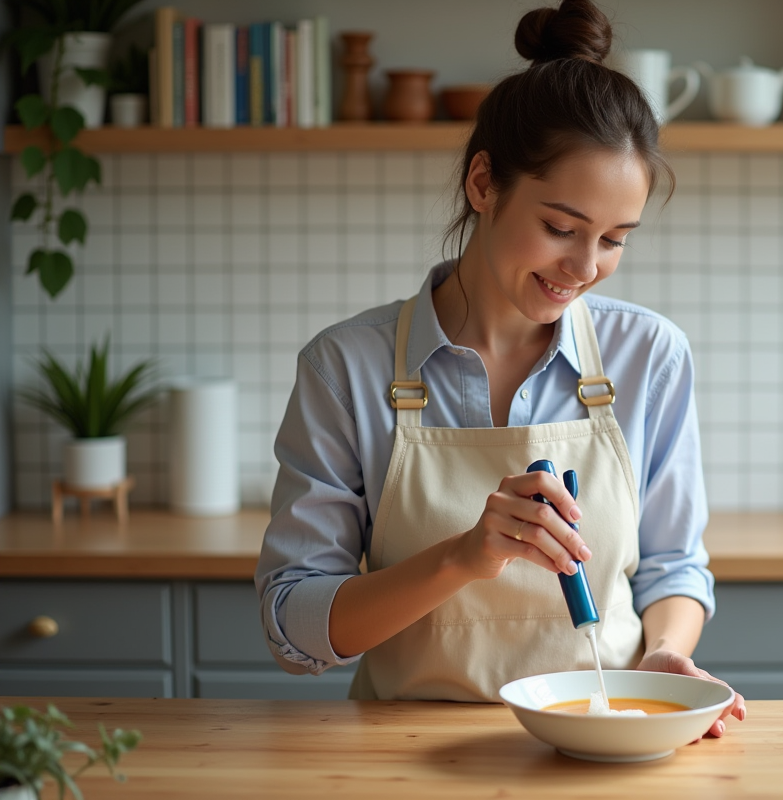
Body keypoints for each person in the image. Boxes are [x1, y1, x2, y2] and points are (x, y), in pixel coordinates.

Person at [255, 0, 746, 737]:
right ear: (483, 184)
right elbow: (293, 626)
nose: (585, 267)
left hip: (598, 741)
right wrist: (460, 557)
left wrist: (667, 653)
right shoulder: (345, 367)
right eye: (560, 228)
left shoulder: (650, 356)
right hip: (397, 753)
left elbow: (674, 567)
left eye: (615, 239)